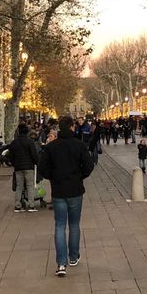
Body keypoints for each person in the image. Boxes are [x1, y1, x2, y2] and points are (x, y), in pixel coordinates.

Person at [37, 115, 95, 277]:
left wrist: (53, 178)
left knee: (60, 226)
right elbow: (89, 166)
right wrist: (79, 176)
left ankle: (61, 263)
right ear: (71, 127)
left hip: (59, 191)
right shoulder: (79, 145)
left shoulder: (51, 147)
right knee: (74, 224)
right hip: (75, 190)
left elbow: (42, 168)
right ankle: (73, 256)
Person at [8, 124, 40, 212]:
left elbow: (10, 156)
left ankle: (17, 205)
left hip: (18, 167)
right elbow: (34, 154)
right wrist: (37, 163)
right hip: (29, 167)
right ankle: (31, 205)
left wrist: (14, 164)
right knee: (30, 186)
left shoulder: (14, 142)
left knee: (19, 186)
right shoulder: (30, 142)